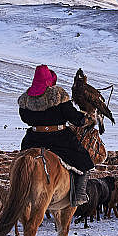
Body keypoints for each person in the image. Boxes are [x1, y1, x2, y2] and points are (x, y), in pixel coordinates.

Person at [18, 65, 94, 205]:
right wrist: (85, 118)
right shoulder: (58, 95)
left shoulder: (25, 99)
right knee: (85, 160)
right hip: (59, 139)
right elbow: (75, 118)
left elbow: (25, 119)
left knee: (21, 164)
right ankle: (79, 195)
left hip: (33, 140)